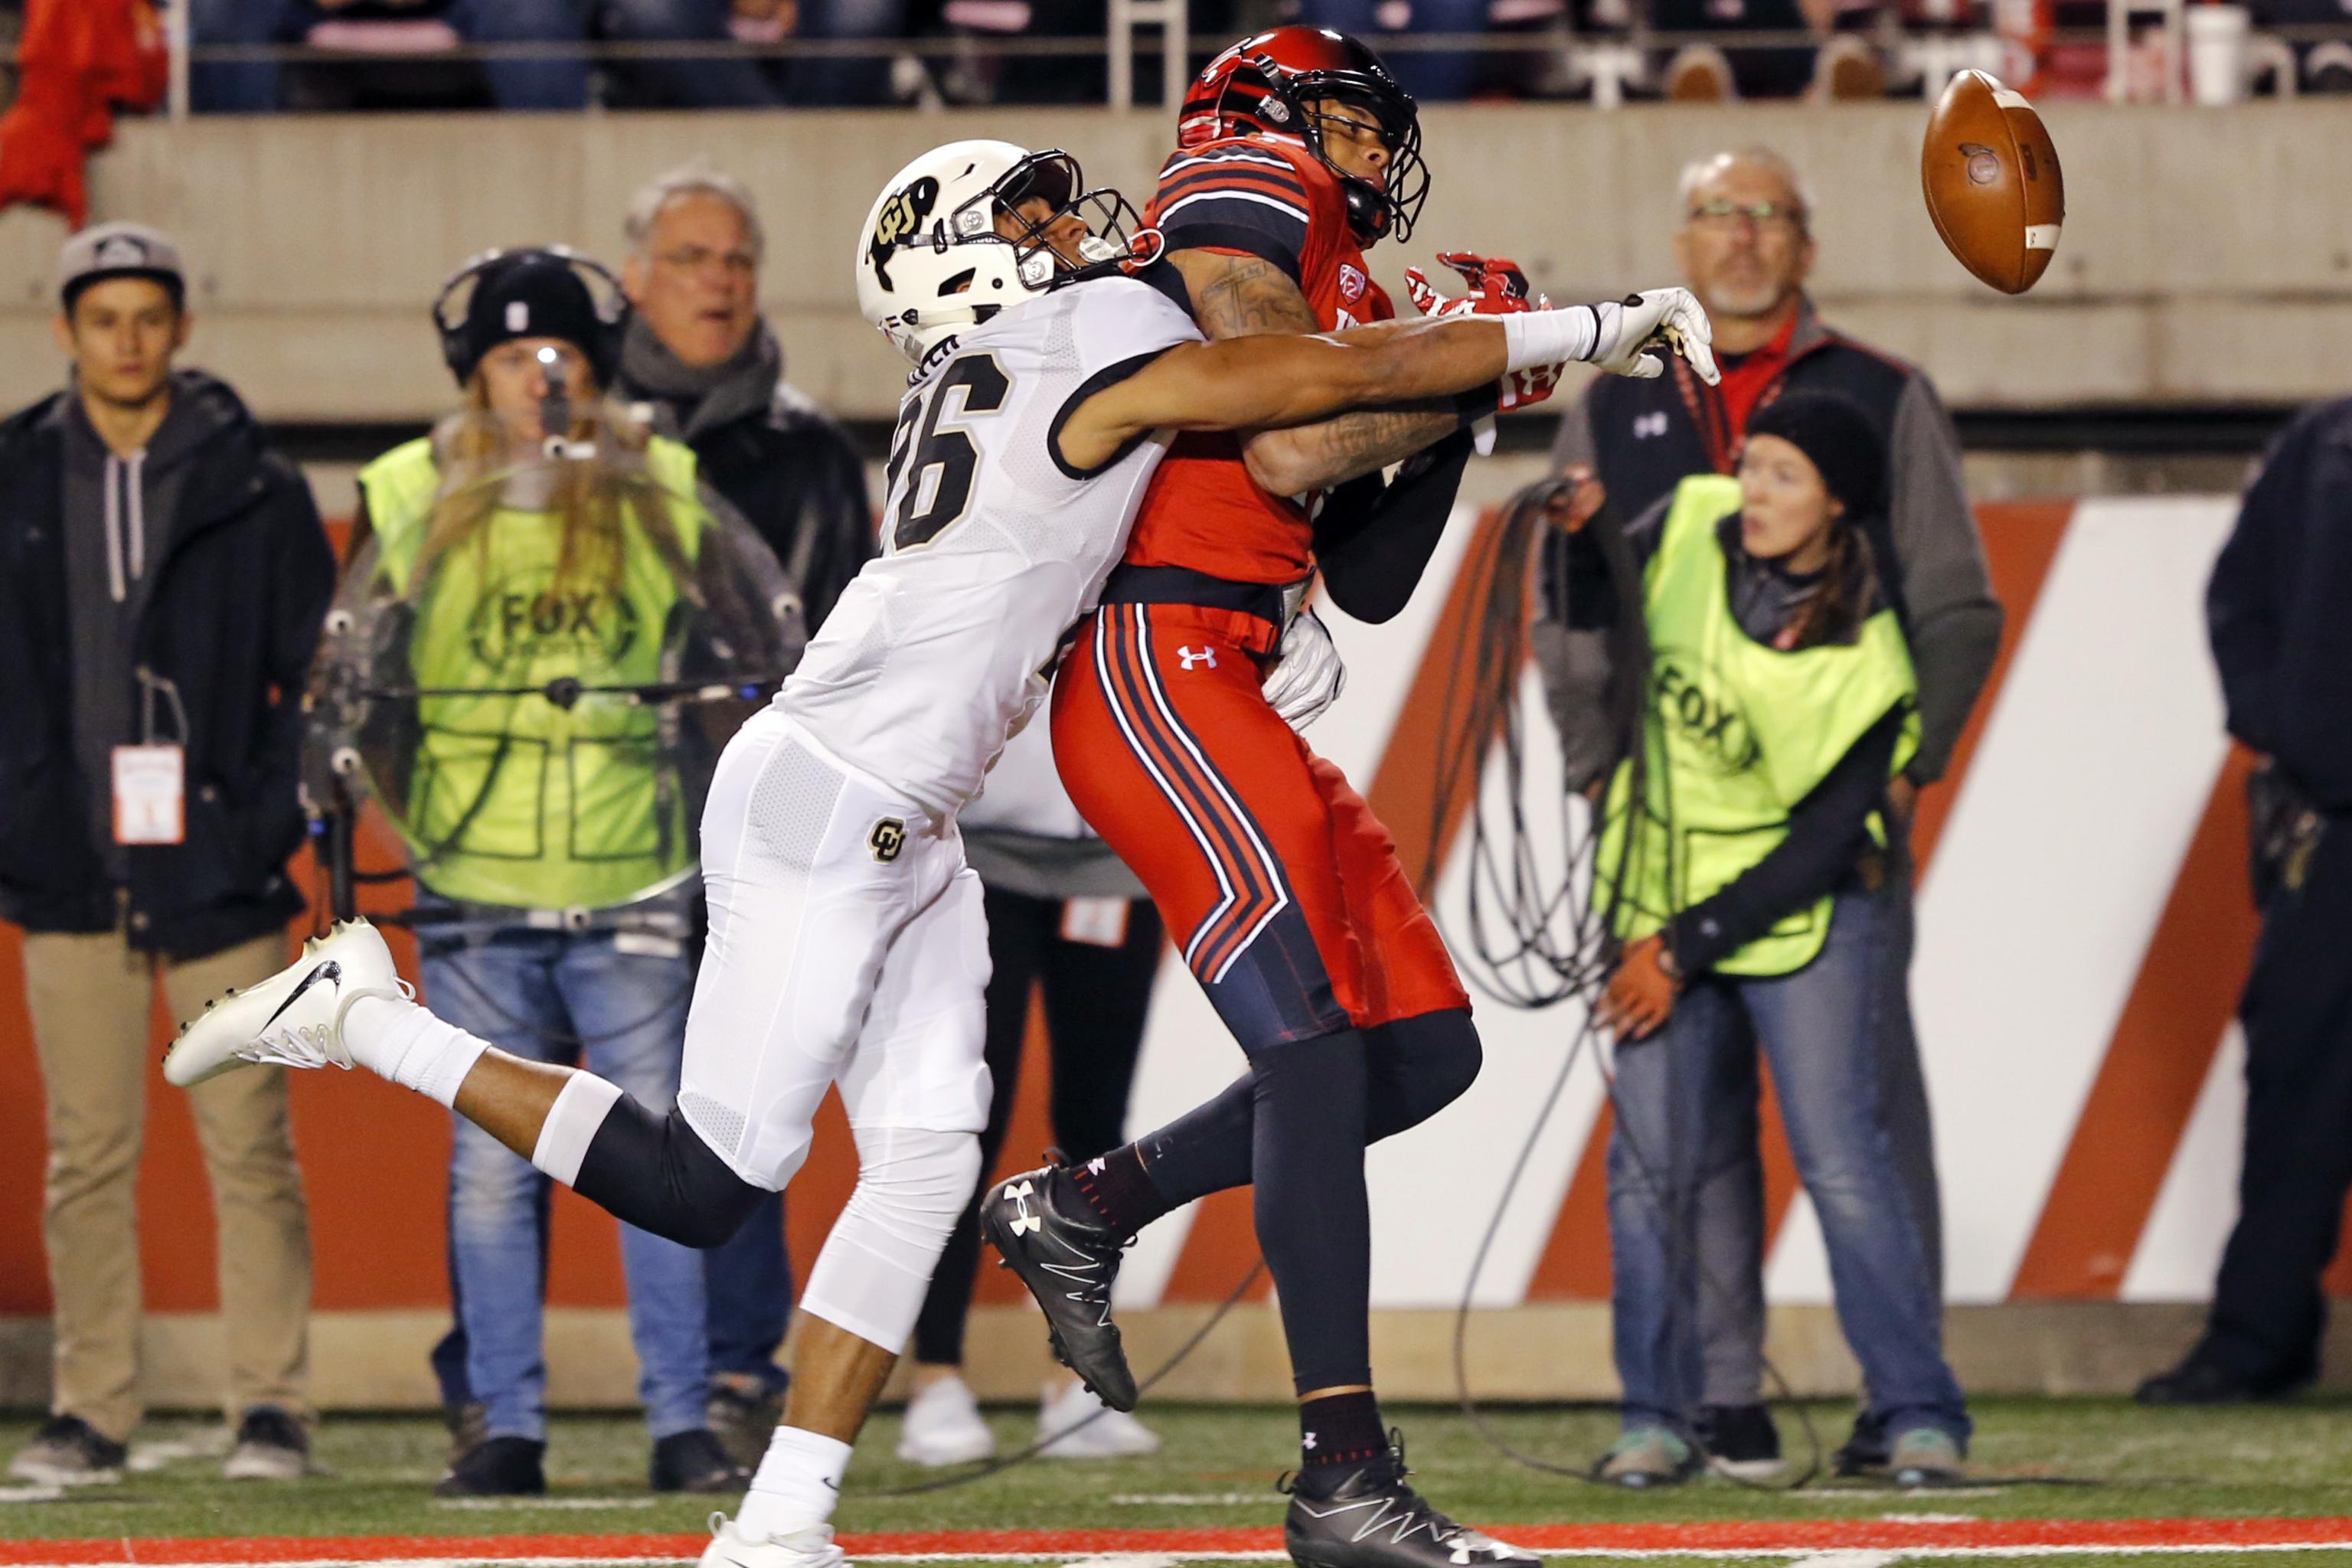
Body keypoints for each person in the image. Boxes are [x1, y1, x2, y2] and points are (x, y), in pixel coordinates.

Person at [164, 137, 1665, 1568]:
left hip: (906, 806)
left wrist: (1286, 613)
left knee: (934, 1158)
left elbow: (1135, 523)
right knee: (708, 1179)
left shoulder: (1006, 362)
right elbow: (1310, 383)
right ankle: (367, 1015)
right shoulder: (1064, 345)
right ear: (965, 269)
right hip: (834, 797)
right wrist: (1578, 331)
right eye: (1033, 221)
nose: (1074, 232)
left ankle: (782, 1516)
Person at [984, 29, 1710, 1568]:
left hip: (1222, 674)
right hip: (1153, 654)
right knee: (1309, 1054)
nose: (1375, 162)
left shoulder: (1342, 291)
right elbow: (1298, 434)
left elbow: (1368, 576)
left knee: (1422, 1048)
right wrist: (1512, 347)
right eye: (1352, 128)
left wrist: (1463, 375)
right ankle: (1345, 1475)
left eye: (1380, 137)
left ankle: (1092, 1201)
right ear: (1270, 118)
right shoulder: (1241, 187)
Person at [1540, 142, 2000, 1478]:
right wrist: (1588, 763)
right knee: (1672, 1149)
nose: (1739, 238)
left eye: (1766, 217)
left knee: (1849, 1136)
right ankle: (1702, 1400)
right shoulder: (1629, 417)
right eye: (1713, 215)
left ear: (1804, 244)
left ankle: (1907, 1401)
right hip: (1656, 835)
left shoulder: (1882, 394)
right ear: (1680, 243)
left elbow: (1957, 603)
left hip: (1826, 849)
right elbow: (1575, 594)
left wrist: (1903, 773)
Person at [341, 247, 764, 1497]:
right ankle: (505, 1421)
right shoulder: (409, 487)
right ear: (471, 380)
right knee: (488, 1169)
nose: (538, 382)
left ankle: (683, 1421)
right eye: (510, 362)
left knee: (664, 1169)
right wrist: (407, 819)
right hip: (473, 876)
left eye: (562, 358)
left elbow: (735, 652)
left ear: (594, 370)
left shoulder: (663, 484)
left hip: (630, 866)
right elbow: (361, 677)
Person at [0, 223, 332, 1486]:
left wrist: (256, 823)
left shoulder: (256, 478)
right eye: (104, 319)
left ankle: (273, 1409)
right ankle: (92, 1410)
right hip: (69, 868)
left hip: (219, 875)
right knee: (87, 1153)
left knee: (250, 1143)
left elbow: (316, 673)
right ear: (66, 332)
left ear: (182, 328)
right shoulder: (18, 474)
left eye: (150, 317)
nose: (128, 340)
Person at [612, 161, 875, 1466]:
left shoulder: (811, 446)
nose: (717, 282)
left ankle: (730, 1363)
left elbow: (842, 644)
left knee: (738, 1101)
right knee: (516, 1126)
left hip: (747, 826)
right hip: (588, 818)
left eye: (736, 260)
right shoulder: (569, 437)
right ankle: (497, 1381)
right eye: (691, 258)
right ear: (633, 281)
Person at [2136, 394, 2352, 1406]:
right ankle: (2259, 1337)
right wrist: (2290, 733)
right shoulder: (2322, 444)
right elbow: (2239, 599)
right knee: (2294, 1084)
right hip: (2333, 822)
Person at [897, 718, 1164, 1467]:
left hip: (1117, 859)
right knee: (963, 1119)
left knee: (1099, 1136)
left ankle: (1078, 1384)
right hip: (976, 856)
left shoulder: (1140, 593)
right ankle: (936, 1378)